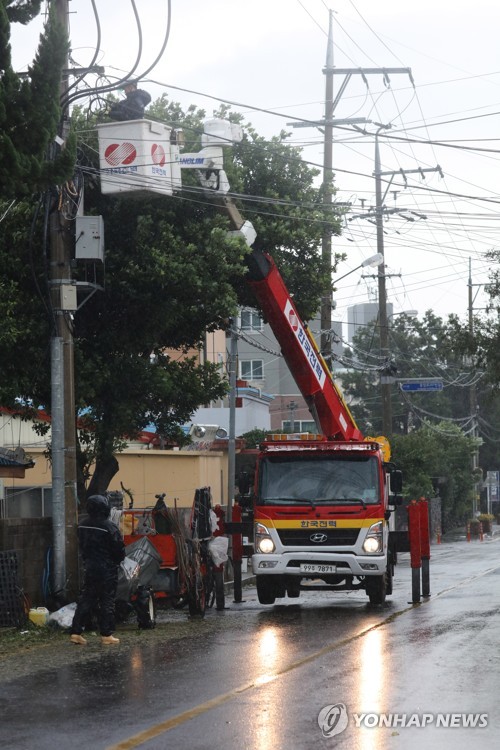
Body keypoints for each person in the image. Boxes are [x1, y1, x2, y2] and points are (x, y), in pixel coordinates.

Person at [70, 494, 125, 646]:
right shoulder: (109, 527)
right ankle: (107, 635)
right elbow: (119, 550)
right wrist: (117, 561)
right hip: (106, 569)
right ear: (104, 508)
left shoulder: (82, 525)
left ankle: (76, 632)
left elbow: (82, 546)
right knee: (107, 600)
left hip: (90, 567)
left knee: (86, 599)